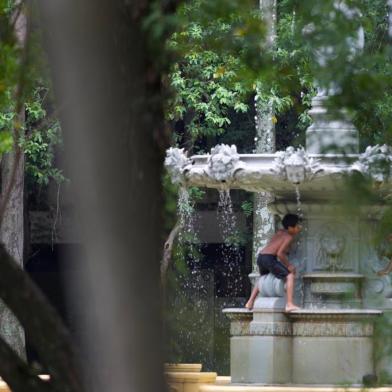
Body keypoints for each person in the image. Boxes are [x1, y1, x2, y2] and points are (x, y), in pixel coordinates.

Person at [245, 213, 301, 312]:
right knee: (290, 276)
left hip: (261, 257)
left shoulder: (279, 232)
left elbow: (276, 246)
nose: (299, 228)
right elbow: (280, 254)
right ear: (290, 228)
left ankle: (250, 301)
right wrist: (289, 266)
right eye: (297, 226)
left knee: (263, 278)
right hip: (269, 258)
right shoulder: (289, 237)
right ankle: (289, 304)